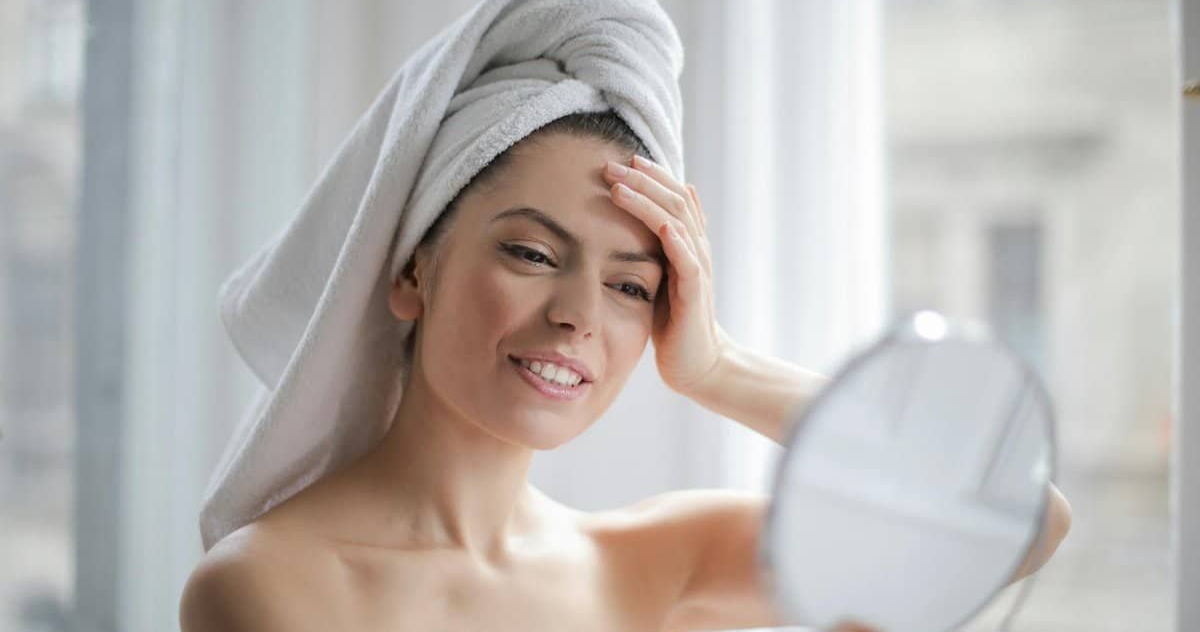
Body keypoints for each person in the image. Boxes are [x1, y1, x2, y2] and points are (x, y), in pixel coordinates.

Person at [178, 110, 1071, 631]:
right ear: (413, 268)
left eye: (630, 285)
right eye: (531, 252)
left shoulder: (655, 562)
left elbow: (1019, 523)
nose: (577, 313)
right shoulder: (269, 585)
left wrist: (718, 368)